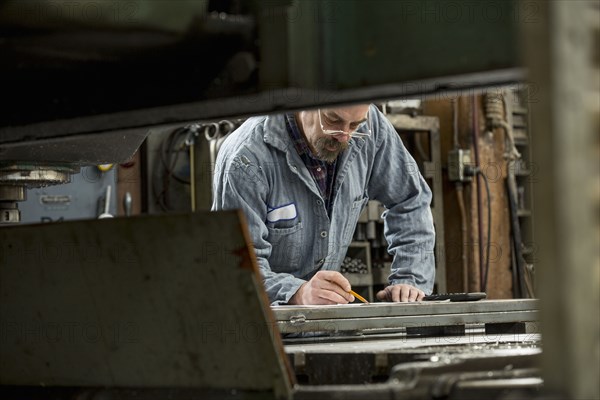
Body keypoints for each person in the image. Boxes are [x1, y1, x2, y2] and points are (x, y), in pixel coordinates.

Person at [212, 104, 435, 305]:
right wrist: (297, 293)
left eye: (355, 125)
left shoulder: (371, 127)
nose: (345, 136)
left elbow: (410, 199)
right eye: (333, 120)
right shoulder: (246, 160)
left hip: (324, 326)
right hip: (262, 331)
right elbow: (234, 268)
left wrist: (410, 280)